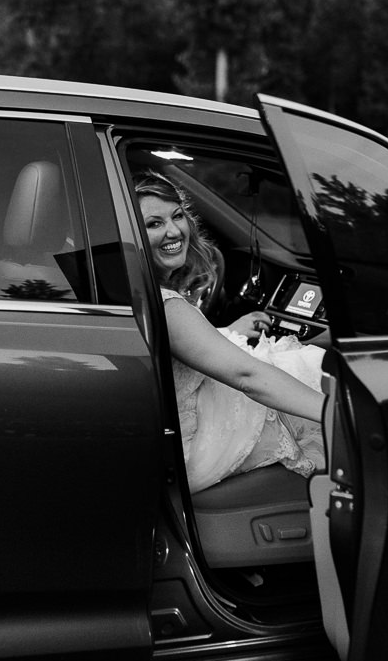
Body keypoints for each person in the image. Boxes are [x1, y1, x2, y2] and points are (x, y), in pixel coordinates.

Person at [135, 171, 328, 493]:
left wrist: (224, 333)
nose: (174, 232)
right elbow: (247, 376)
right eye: (154, 224)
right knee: (311, 369)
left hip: (174, 427)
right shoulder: (167, 305)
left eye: (178, 216)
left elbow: (179, 354)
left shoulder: (139, 291)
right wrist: (336, 413)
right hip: (197, 446)